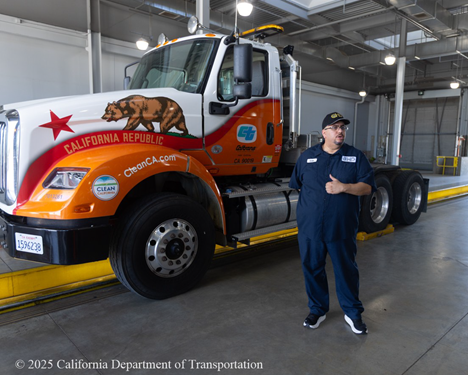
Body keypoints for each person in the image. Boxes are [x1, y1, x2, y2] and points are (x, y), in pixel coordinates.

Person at [289, 112, 376, 335]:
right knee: (312, 268)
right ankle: (317, 310)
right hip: (310, 228)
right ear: (324, 132)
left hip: (341, 227)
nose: (340, 131)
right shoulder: (307, 156)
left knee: (346, 270)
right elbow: (298, 184)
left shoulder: (356, 157)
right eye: (334, 127)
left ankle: (353, 313)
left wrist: (344, 187)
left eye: (343, 128)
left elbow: (367, 187)